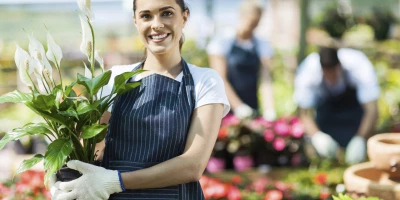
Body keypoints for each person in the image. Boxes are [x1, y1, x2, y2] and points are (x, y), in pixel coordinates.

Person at [51, 0, 230, 199]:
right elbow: (93, 150)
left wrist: (116, 181)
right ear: (136, 21)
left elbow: (192, 165)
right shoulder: (114, 79)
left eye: (167, 13)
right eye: (146, 16)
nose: (157, 24)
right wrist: (65, 176)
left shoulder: (204, 81)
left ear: (185, 16)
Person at [294, 46, 379, 165]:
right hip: (326, 116)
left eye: (333, 72)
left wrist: (360, 138)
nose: (331, 77)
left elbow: (372, 111)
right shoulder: (308, 71)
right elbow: (304, 113)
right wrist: (317, 136)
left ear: (339, 66)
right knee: (324, 158)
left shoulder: (359, 65)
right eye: (326, 73)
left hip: (354, 116)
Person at [207, 0, 275, 121]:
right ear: (241, 16)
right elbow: (219, 79)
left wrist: (269, 109)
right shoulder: (222, 41)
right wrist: (238, 107)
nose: (252, 27)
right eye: (251, 22)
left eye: (256, 23)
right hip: (225, 110)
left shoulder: (262, 44)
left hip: (252, 106)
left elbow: (266, 79)